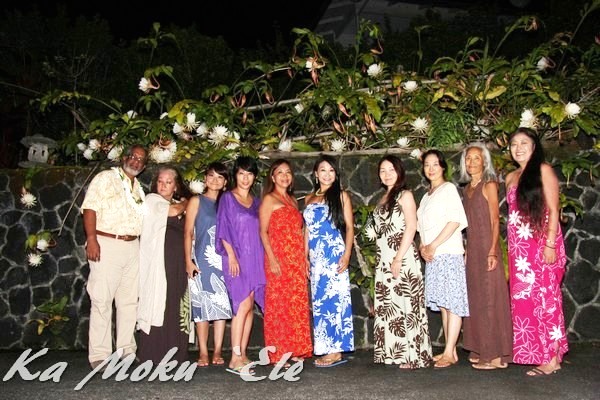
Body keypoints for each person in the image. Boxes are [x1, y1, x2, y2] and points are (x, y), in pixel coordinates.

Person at [505, 128, 568, 376]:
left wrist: (550, 245)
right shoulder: (510, 177)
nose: (518, 148)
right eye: (514, 144)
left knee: (547, 299)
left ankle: (552, 358)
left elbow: (553, 209)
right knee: (525, 301)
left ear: (534, 146)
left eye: (524, 143)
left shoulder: (543, 170)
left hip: (542, 244)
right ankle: (536, 353)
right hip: (519, 251)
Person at [81, 144, 147, 369]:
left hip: (132, 246)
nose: (136, 161)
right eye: (133, 156)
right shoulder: (105, 178)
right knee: (101, 299)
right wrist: (92, 238)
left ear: (144, 166)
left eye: (141, 160)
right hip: (106, 243)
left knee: (129, 301)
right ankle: (99, 355)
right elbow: (90, 208)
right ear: (124, 157)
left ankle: (126, 350)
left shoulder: (138, 188)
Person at [371, 155, 433, 369]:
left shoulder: (405, 195)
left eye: (391, 170)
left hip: (402, 257)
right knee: (391, 305)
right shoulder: (383, 198)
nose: (387, 174)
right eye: (383, 170)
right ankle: (396, 353)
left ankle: (415, 356)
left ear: (399, 172)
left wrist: (398, 258)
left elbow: (411, 226)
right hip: (384, 259)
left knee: (407, 305)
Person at [459, 143, 513, 370]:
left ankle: (493, 355)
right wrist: (467, 251)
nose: (472, 162)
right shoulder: (466, 190)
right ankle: (481, 348)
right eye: (468, 158)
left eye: (476, 158)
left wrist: (492, 250)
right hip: (473, 249)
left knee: (491, 298)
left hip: (487, 248)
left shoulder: (489, 185)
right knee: (477, 299)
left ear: (484, 162)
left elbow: (494, 220)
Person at [416, 149, 469, 369]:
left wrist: (434, 245)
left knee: (452, 302)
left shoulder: (448, 189)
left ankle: (449, 351)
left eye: (435, 164)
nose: (431, 169)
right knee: (445, 304)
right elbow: (421, 227)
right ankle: (451, 350)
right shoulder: (426, 195)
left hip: (448, 252)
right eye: (427, 164)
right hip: (433, 255)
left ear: (443, 167)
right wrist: (423, 247)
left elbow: (455, 221)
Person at [259, 159, 313, 367]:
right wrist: (272, 259)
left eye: (288, 172)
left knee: (295, 304)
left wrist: (303, 258)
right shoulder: (269, 199)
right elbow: (263, 232)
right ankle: (278, 353)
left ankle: (294, 349)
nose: (284, 176)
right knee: (279, 306)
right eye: (279, 172)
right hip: (278, 258)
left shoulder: (292, 200)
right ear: (273, 177)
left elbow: (299, 231)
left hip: (295, 259)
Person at [215, 156, 266, 375]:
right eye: (241, 173)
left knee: (250, 307)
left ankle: (242, 354)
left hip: (255, 258)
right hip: (236, 259)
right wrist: (231, 256)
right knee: (241, 305)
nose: (245, 178)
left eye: (249, 174)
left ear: (254, 177)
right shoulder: (228, 198)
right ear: (235, 175)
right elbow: (223, 227)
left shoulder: (256, 202)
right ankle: (234, 357)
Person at [303, 154, 354, 367]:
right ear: (316, 174)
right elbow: (307, 230)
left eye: (331, 170)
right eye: (323, 170)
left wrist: (347, 255)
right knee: (320, 302)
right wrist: (305, 256)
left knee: (336, 300)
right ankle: (326, 347)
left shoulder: (341, 196)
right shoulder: (308, 198)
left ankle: (336, 351)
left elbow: (349, 227)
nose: (327, 174)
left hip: (334, 254)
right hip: (316, 258)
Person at [137, 166, 190, 363]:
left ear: (175, 186)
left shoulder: (177, 203)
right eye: (160, 181)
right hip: (160, 264)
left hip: (179, 264)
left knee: (176, 303)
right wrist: (186, 202)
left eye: (168, 182)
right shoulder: (152, 200)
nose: (163, 185)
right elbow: (173, 211)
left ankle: (176, 353)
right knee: (160, 303)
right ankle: (154, 354)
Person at [184, 162, 232, 367]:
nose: (215, 180)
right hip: (200, 260)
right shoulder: (196, 201)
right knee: (201, 306)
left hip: (223, 261)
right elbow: (188, 232)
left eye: (220, 177)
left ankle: (218, 350)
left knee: (221, 306)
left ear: (225, 182)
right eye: (211, 176)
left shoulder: (228, 203)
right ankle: (203, 351)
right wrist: (188, 261)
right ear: (205, 178)